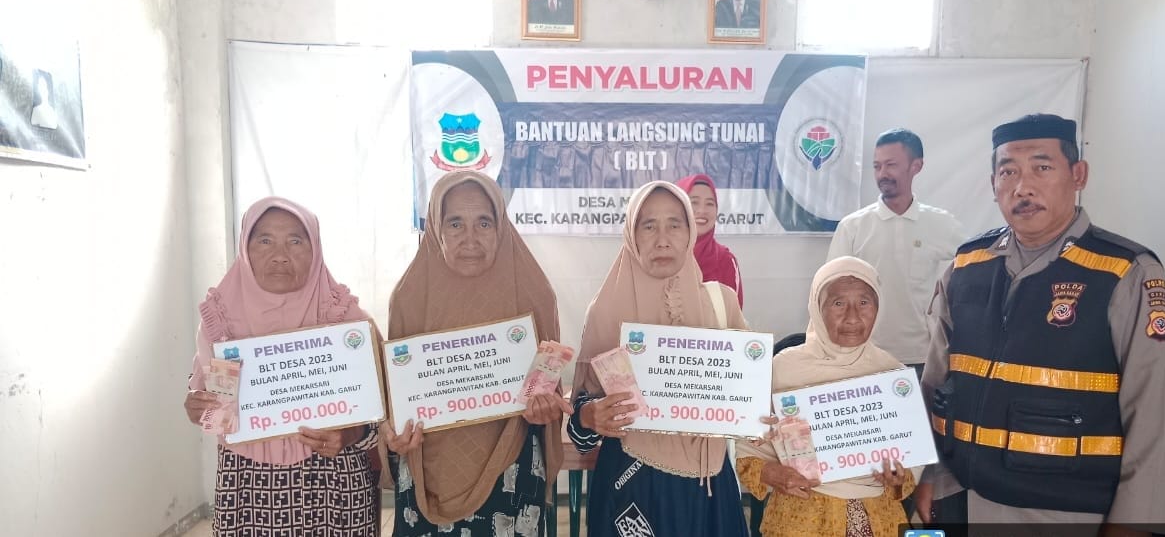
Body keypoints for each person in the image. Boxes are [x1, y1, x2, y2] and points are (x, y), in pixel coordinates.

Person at [915, 114, 1165, 535]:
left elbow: (1153, 415)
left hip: (1064, 512)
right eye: (1008, 172)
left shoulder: (1124, 272)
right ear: (993, 184)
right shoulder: (967, 265)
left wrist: (1133, 525)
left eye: (1042, 167)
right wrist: (930, 472)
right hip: (963, 498)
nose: (1023, 187)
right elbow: (936, 381)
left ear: (1078, 175)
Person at [381, 170, 568, 536]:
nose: (470, 238)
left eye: (484, 222)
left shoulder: (533, 292)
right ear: (435, 228)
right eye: (455, 224)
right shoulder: (409, 297)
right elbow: (395, 397)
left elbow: (548, 385)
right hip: (427, 470)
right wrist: (393, 431)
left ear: (501, 226)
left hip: (511, 466)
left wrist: (545, 408)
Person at [182, 197, 379, 536]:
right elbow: (219, 415)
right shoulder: (221, 321)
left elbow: (382, 414)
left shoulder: (346, 320)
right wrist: (199, 408)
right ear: (245, 247)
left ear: (315, 248)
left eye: (295, 241)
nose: (280, 255)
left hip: (335, 483)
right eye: (264, 240)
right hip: (248, 485)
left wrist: (350, 434)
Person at [569, 180, 750, 536]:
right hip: (632, 483)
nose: (663, 239)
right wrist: (590, 415)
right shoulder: (606, 311)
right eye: (649, 225)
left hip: (708, 484)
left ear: (690, 232)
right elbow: (580, 430)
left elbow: (747, 397)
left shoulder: (721, 304)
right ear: (631, 234)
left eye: (675, 224)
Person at [737, 256, 918, 537]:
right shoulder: (781, 370)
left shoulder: (893, 376)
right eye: (838, 303)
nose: (852, 317)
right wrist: (771, 473)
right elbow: (745, 448)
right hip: (801, 518)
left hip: (877, 519)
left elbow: (912, 461)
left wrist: (899, 476)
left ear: (878, 307)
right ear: (816, 307)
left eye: (864, 302)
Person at [827, 128, 965, 377]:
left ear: (916, 166)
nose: (882, 174)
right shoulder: (853, 227)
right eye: (877, 166)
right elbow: (829, 292)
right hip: (864, 356)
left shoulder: (942, 224)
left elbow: (971, 276)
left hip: (924, 356)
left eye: (891, 165)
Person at [675, 173, 744, 307]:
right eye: (694, 202)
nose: (702, 210)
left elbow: (733, 314)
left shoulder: (725, 260)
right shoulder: (661, 256)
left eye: (710, 203)